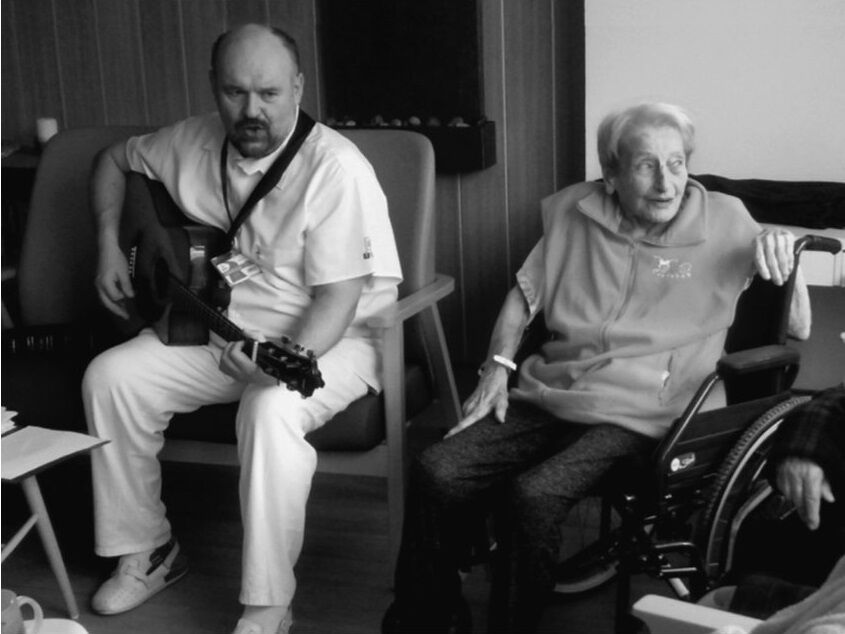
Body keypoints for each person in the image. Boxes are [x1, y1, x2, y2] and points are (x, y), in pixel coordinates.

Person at [382, 102, 810, 634]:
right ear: (611, 173)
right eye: (646, 165)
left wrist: (785, 257)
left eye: (677, 164)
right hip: (555, 387)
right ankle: (427, 616)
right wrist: (496, 369)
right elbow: (524, 297)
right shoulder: (576, 213)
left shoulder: (726, 220)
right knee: (437, 469)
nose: (666, 183)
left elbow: (799, 326)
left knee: (534, 494)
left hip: (651, 410)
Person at [83, 23, 401, 634]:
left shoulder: (337, 169)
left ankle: (267, 608)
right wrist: (106, 244)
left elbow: (339, 299)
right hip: (223, 330)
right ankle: (148, 549)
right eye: (235, 92)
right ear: (214, 87)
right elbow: (111, 160)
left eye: (269, 93)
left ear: (298, 88)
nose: (252, 110)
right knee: (112, 378)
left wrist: (283, 359)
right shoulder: (190, 140)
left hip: (331, 342)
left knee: (269, 408)